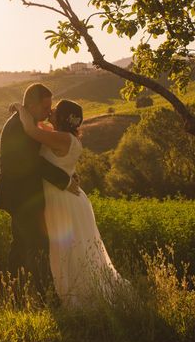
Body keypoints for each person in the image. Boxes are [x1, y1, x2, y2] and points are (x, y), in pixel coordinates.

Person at [12, 99, 127, 309]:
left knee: (64, 249)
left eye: (55, 110)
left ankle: (73, 297)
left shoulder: (62, 138)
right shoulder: (66, 137)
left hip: (62, 200)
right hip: (68, 197)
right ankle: (67, 294)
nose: (51, 112)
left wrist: (20, 107)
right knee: (71, 249)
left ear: (63, 117)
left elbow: (30, 129)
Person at [0, 83, 79, 295]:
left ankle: (13, 294)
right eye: (45, 108)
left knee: (22, 246)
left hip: (24, 196)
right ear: (31, 106)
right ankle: (47, 297)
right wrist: (65, 180)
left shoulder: (29, 123)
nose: (49, 112)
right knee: (38, 246)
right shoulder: (20, 127)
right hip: (21, 196)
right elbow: (33, 163)